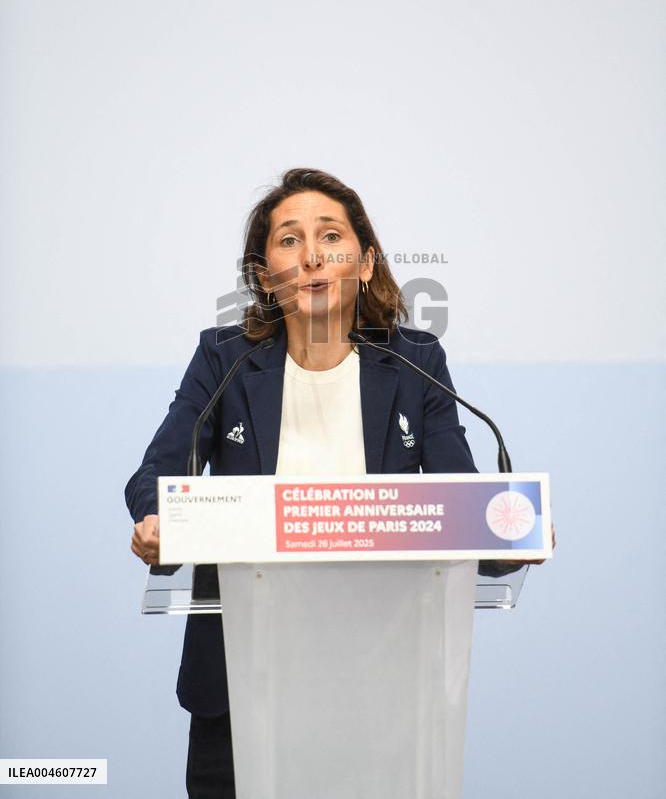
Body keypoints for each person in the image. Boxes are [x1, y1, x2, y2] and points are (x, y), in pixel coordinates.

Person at [125, 167, 553, 798]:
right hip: (242, 683)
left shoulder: (415, 364)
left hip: (381, 683)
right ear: (264, 271)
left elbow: (458, 500)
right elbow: (155, 477)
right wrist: (159, 523)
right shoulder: (225, 359)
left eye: (330, 235)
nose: (312, 255)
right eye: (289, 240)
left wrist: (512, 531)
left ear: (365, 262)